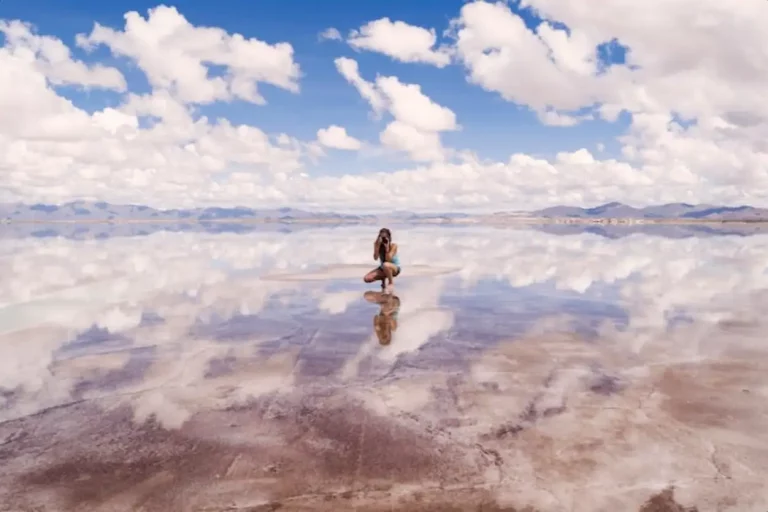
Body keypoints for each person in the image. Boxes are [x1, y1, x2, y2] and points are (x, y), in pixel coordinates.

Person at [364, 228, 401, 293]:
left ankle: (390, 283)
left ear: (389, 238)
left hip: (395, 268)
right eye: (382, 237)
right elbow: (375, 258)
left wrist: (387, 249)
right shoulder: (377, 244)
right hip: (383, 267)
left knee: (386, 264)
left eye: (385, 237)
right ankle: (383, 278)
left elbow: (388, 259)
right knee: (367, 278)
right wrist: (377, 247)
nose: (384, 240)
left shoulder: (393, 246)